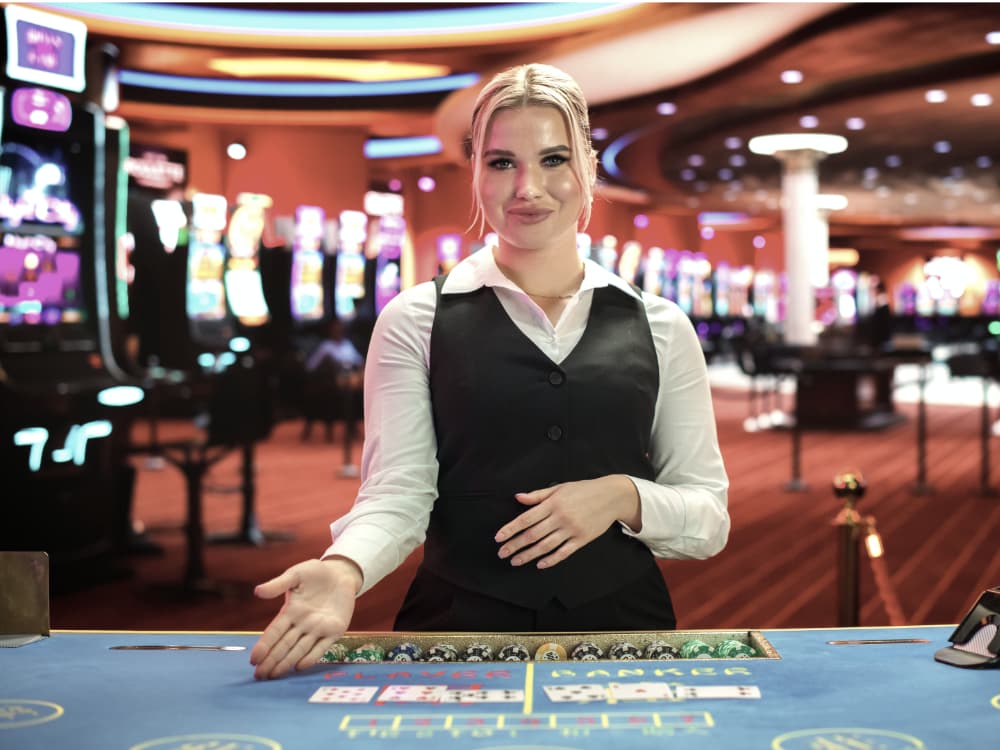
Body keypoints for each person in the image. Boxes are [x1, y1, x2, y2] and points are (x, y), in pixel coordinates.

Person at [250, 63, 730, 680]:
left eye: (554, 159)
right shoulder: (414, 319)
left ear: (587, 167)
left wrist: (623, 495)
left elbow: (708, 518)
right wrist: (345, 569)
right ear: (474, 172)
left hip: (624, 630)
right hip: (455, 627)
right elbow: (398, 494)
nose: (529, 187)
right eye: (503, 162)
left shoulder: (663, 326)